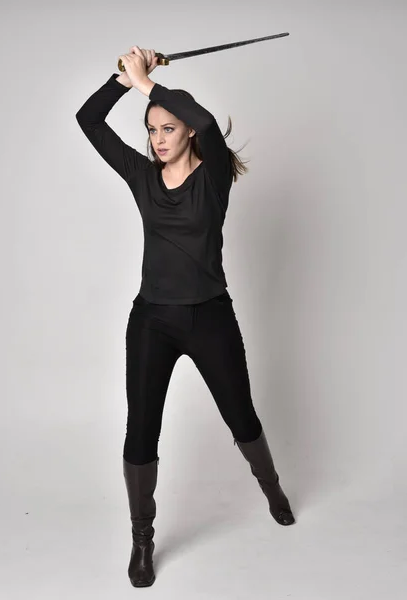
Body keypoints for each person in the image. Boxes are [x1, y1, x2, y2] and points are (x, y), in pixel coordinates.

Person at [75, 46, 295, 588]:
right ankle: (142, 539)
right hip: (152, 319)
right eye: (151, 130)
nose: (158, 138)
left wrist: (150, 83)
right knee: (140, 430)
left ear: (189, 133)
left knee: (240, 415)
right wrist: (123, 77)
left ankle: (272, 489)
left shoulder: (213, 174)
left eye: (168, 128)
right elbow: (87, 119)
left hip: (209, 317)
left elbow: (200, 117)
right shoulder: (141, 176)